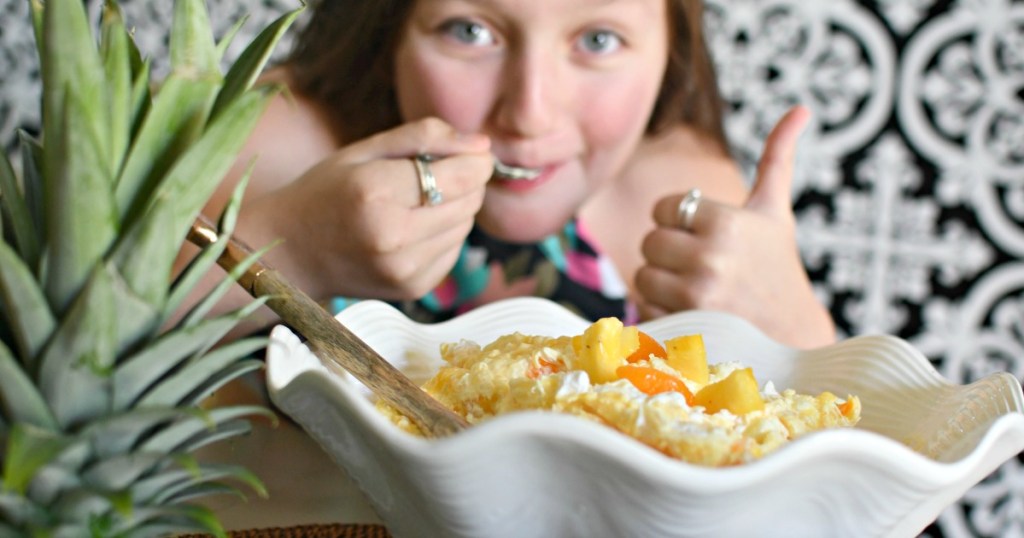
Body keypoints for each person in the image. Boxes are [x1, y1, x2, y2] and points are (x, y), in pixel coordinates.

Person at [185, 0, 835, 350]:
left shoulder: (679, 201)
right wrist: (290, 249)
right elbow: (85, 365)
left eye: (598, 40)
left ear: (671, 50)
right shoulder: (276, 146)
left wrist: (804, 341)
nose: (528, 112)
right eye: (471, 31)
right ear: (390, 26)